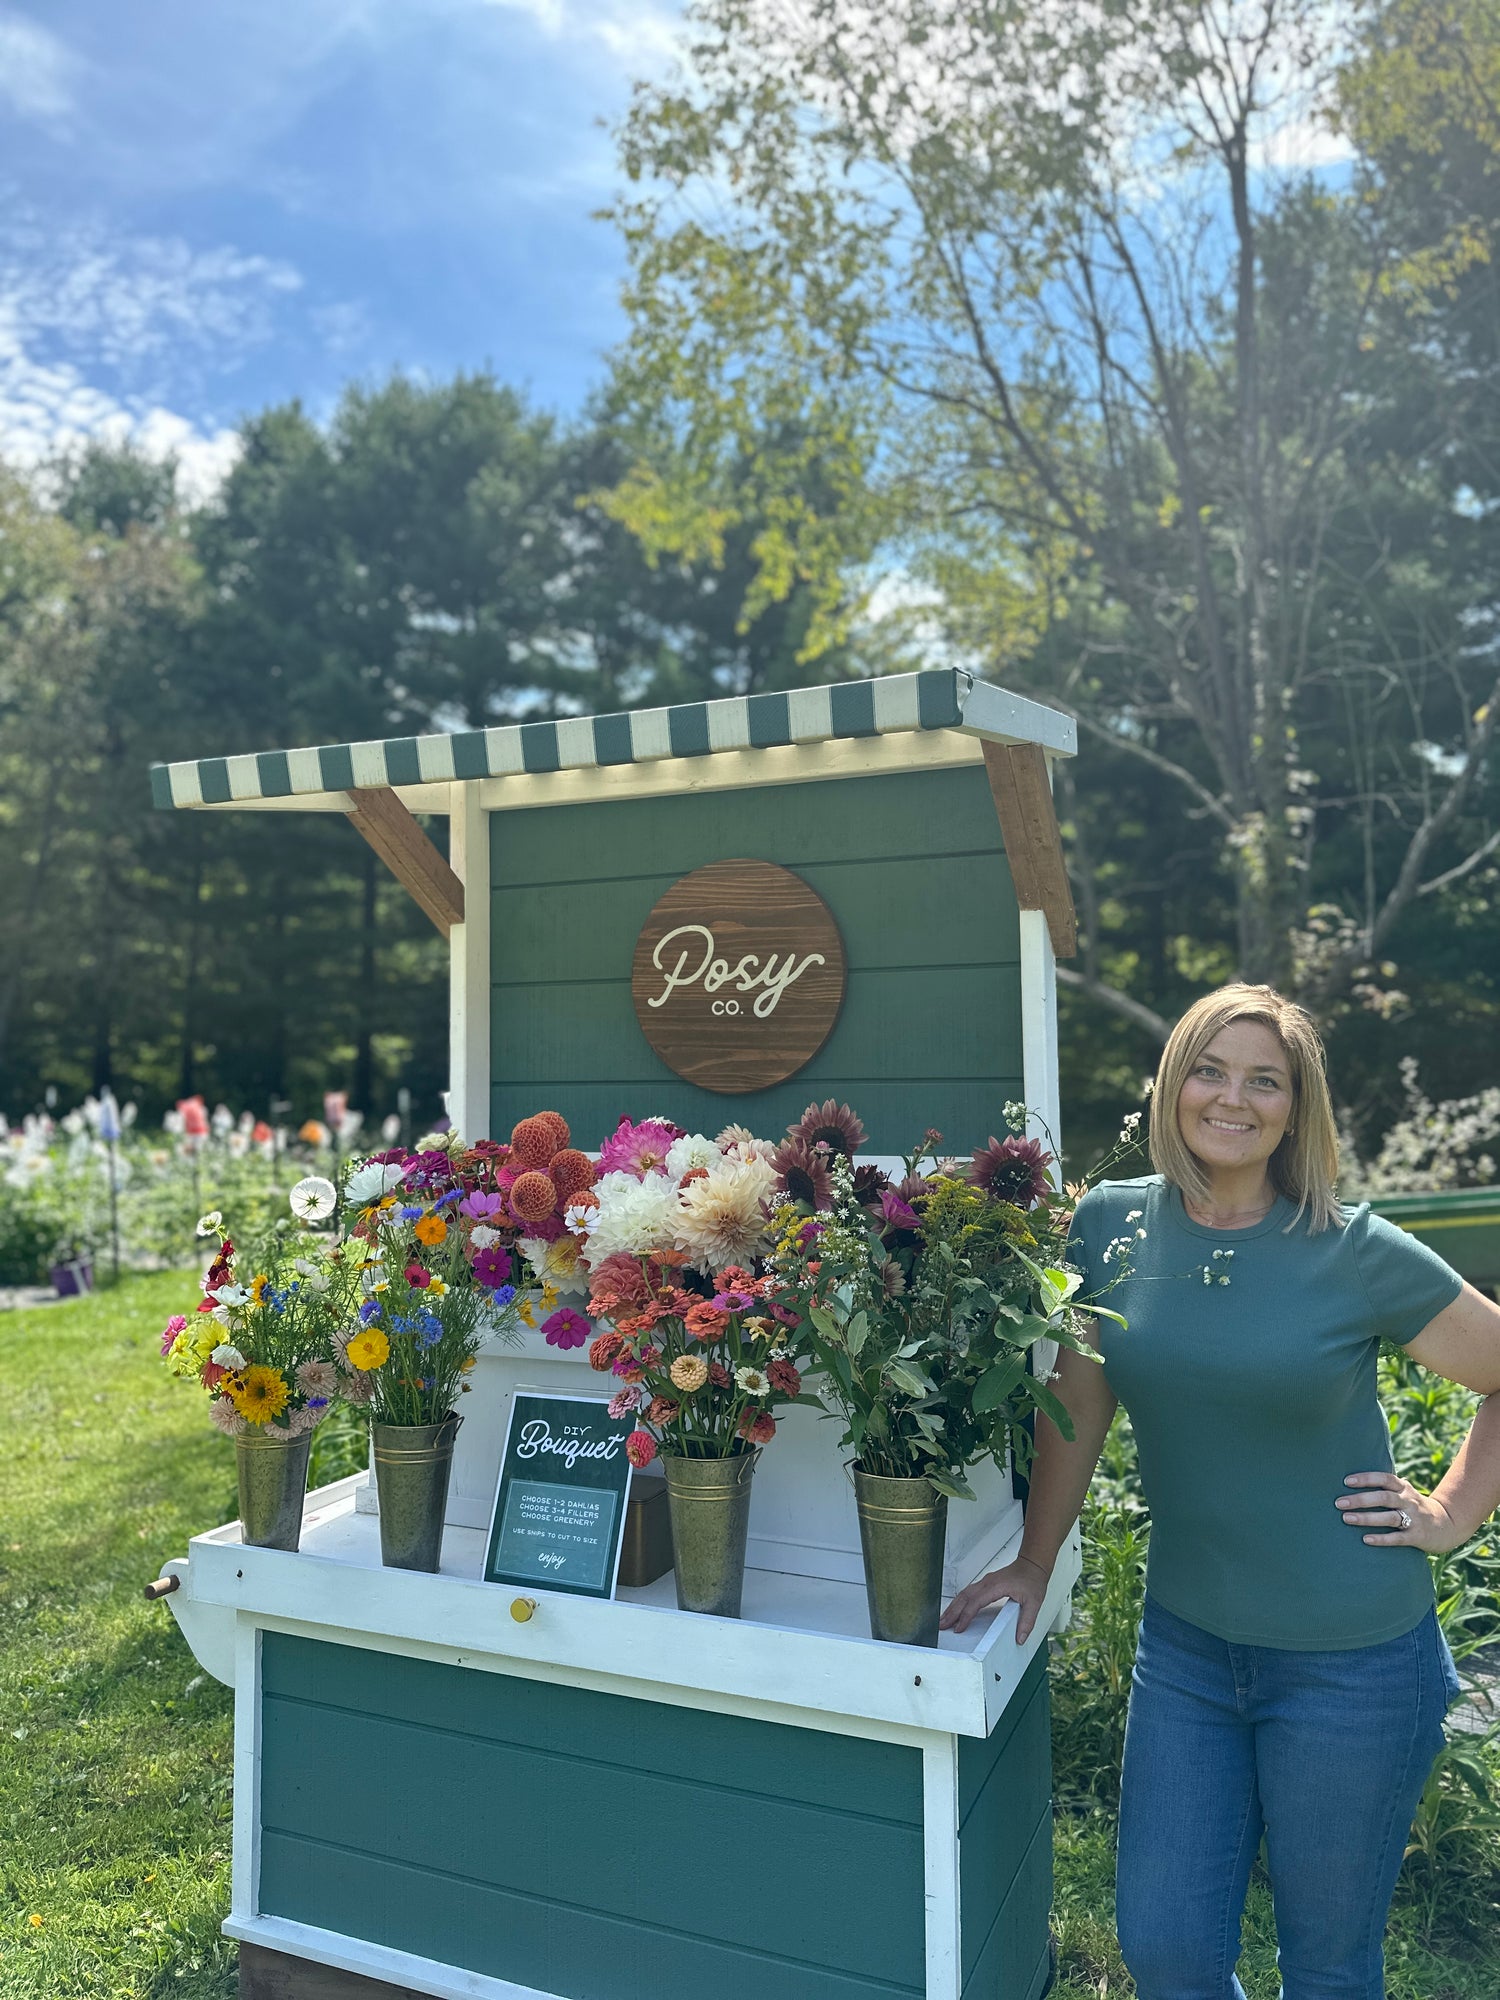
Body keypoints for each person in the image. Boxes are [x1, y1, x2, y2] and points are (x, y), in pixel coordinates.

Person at [942, 983, 1500, 2000]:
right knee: (1166, 1952)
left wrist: (1453, 1510)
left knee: (1328, 1967)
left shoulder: (1351, 1245)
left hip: (1356, 1665)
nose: (1230, 1097)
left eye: (1264, 1079)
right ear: (1172, 1083)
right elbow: (1081, 1396)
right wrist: (1033, 1556)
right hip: (1189, 1651)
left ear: (1297, 1105)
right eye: (1209, 1067)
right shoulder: (1109, 1226)